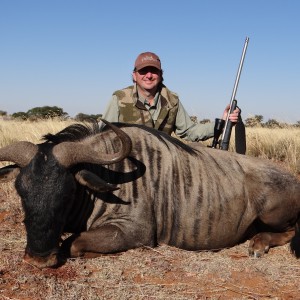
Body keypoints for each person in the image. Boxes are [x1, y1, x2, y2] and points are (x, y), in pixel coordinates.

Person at [100, 51, 240, 142]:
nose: (149, 75)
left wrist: (222, 122)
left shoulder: (172, 100)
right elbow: (102, 136)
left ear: (161, 75)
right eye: (143, 71)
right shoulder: (119, 98)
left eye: (154, 71)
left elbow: (189, 131)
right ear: (134, 76)